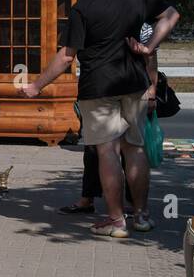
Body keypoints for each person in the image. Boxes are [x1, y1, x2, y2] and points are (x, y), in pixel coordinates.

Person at [19, 0, 180, 238]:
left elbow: (67, 56)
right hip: (134, 82)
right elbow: (171, 14)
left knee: (107, 151)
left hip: (99, 87)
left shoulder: (83, 9)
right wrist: (149, 46)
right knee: (136, 148)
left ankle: (116, 220)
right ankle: (141, 216)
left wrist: (36, 86)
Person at [59, 23, 157, 215]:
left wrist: (153, 89)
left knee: (123, 149)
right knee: (98, 150)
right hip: (104, 89)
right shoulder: (102, 13)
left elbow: (151, 56)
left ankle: (127, 208)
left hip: (124, 88)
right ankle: (93, 200)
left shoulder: (140, 21)